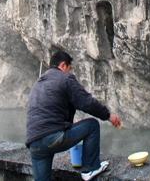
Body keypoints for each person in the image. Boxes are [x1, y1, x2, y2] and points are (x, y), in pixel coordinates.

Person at [26, 51, 121, 181]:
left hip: (34, 142)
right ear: (63, 65)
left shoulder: (38, 83)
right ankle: (90, 169)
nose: (70, 73)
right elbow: (86, 103)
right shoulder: (65, 78)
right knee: (92, 125)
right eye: (70, 69)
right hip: (52, 137)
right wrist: (108, 116)